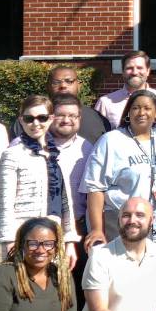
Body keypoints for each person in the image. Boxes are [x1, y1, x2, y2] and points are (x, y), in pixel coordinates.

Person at [83, 90, 156, 249]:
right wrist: (97, 229)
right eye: (136, 108)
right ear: (128, 112)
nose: (142, 112)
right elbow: (95, 187)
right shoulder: (111, 141)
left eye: (147, 108)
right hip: (124, 228)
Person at [0, 94, 78, 273]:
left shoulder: (57, 154)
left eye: (42, 118)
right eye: (29, 118)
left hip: (52, 235)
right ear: (21, 121)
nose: (35, 123)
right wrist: (9, 240)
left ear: (51, 119)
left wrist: (69, 241)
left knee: (50, 290)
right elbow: (5, 202)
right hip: (21, 233)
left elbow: (65, 201)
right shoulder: (12, 154)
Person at [48, 93, 94, 245]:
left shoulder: (88, 148)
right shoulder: (33, 144)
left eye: (72, 116)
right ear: (51, 117)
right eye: (60, 115)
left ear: (79, 118)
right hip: (43, 229)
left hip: (79, 227)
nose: (67, 120)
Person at [30, 64, 105, 144]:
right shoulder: (30, 118)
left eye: (69, 81)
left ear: (79, 86)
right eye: (56, 82)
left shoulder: (98, 119)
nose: (63, 85)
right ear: (47, 86)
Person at [96, 51, 156, 129]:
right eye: (129, 68)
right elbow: (97, 135)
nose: (134, 72)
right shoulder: (105, 103)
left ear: (148, 71)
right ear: (123, 71)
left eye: (139, 68)